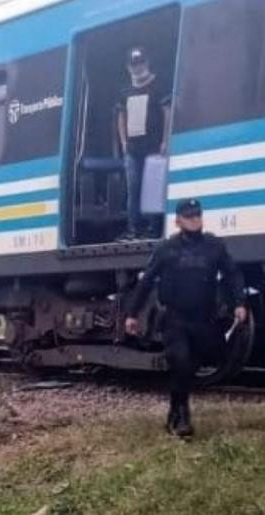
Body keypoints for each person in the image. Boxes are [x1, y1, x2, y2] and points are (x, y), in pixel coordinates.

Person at [124, 198, 247, 439]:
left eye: (198, 216)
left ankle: (174, 409)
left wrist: (240, 303)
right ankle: (182, 416)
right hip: (174, 317)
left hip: (203, 318)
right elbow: (147, 281)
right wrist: (132, 314)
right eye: (189, 217)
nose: (195, 220)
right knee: (180, 361)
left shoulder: (214, 246)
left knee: (191, 367)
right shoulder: (166, 249)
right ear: (178, 220)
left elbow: (233, 274)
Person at [115, 47, 172, 240]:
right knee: (133, 188)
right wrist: (123, 142)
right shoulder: (124, 91)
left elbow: (167, 113)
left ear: (147, 63)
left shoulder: (159, 85)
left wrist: (165, 140)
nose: (137, 67)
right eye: (133, 64)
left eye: (140, 63)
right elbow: (121, 116)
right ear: (128, 67)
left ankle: (153, 230)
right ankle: (134, 230)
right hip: (132, 148)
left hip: (154, 145)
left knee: (153, 188)